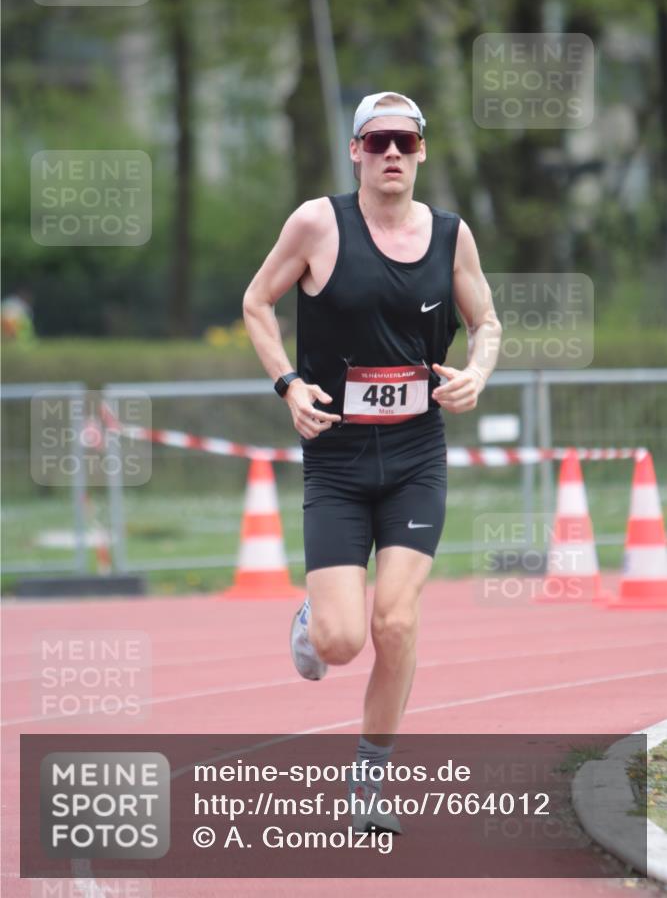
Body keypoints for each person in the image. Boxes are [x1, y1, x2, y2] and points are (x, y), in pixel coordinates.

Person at [243, 91, 502, 833]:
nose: (392, 153)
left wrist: (476, 373)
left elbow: (486, 321)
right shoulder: (317, 224)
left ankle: (369, 778)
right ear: (355, 150)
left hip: (416, 457)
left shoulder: (451, 235)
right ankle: (312, 618)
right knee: (341, 640)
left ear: (421, 152)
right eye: (378, 141)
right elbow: (256, 302)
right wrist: (289, 384)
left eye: (405, 142)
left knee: (394, 621)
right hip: (336, 459)